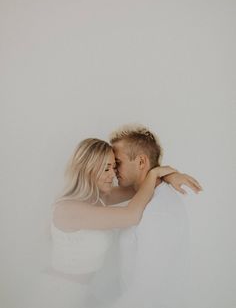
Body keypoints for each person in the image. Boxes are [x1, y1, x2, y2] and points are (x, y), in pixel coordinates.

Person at [48, 136, 201, 307]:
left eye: (114, 166)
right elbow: (131, 215)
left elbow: (139, 186)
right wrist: (155, 172)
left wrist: (170, 175)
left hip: (82, 292)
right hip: (60, 294)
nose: (113, 174)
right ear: (88, 169)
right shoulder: (68, 210)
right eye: (106, 169)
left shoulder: (97, 199)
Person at [108, 124, 200, 308]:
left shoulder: (159, 212)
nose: (113, 170)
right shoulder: (143, 197)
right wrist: (163, 174)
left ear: (141, 162)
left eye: (118, 163)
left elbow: (146, 291)